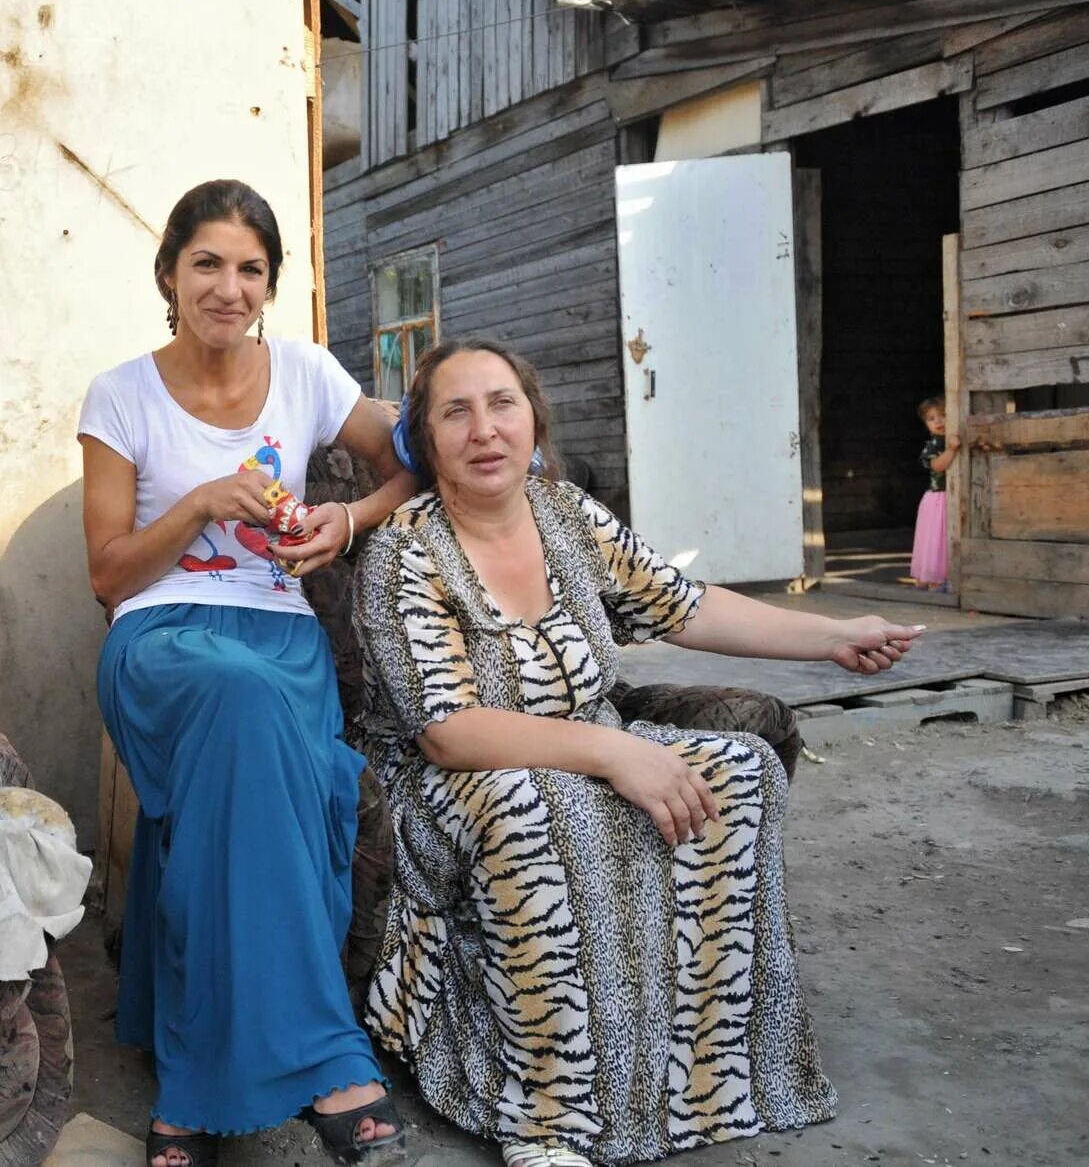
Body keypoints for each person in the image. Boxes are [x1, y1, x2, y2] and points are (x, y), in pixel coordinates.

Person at [351, 338, 923, 1167]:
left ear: (533, 420)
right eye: (456, 411)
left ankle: (714, 1080)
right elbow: (448, 728)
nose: (485, 429)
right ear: (428, 439)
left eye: (502, 403)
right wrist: (614, 754)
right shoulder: (406, 550)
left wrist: (836, 636)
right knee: (538, 808)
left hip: (584, 736)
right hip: (457, 779)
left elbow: (686, 606)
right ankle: (551, 1118)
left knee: (741, 771)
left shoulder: (569, 516)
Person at [80, 179, 418, 1167]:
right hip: (160, 639)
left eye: (249, 269)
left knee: (271, 763)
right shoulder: (120, 393)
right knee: (254, 722)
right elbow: (107, 572)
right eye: (207, 265)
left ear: (268, 284)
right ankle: (324, 1053)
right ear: (169, 275)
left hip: (281, 638)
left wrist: (349, 517)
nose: (228, 287)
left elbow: (415, 452)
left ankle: (193, 1070)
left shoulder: (307, 373)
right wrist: (198, 506)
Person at [911, 395, 959, 592]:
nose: (938, 421)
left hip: (947, 498)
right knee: (934, 540)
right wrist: (952, 450)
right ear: (926, 424)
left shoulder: (949, 438)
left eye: (943, 416)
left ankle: (940, 577)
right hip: (938, 498)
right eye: (932, 418)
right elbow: (937, 466)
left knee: (942, 538)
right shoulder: (934, 445)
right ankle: (931, 579)